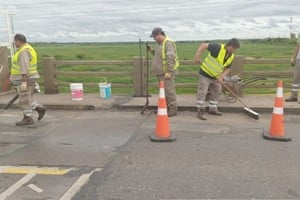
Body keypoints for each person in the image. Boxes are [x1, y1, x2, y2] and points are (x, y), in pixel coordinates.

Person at [194, 38, 240, 120]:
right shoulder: (217, 48)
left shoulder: (231, 56)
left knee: (217, 91)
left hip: (216, 76)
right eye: (235, 49)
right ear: (230, 46)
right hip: (205, 74)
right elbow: (203, 45)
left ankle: (212, 109)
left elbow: (228, 68)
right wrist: (197, 56)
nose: (234, 51)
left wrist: (222, 77)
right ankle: (200, 111)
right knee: (202, 92)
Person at [10, 33, 46, 126]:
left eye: (15, 41)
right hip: (30, 77)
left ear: (18, 40)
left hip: (25, 78)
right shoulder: (29, 48)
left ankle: (28, 118)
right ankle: (39, 108)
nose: (14, 43)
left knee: (24, 98)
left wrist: (24, 82)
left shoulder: (23, 51)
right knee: (28, 97)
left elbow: (24, 67)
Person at [147, 27, 180, 117]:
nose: (153, 39)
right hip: (161, 73)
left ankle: (173, 109)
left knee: (169, 91)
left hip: (167, 73)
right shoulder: (160, 43)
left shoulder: (168, 43)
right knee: (163, 92)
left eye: (154, 37)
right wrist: (151, 50)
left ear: (159, 34)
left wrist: (169, 71)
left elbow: (171, 58)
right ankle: (164, 107)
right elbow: (159, 55)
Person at [285, 33, 300, 102]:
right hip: (299, 59)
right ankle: (294, 96)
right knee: (295, 78)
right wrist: (293, 57)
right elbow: (298, 46)